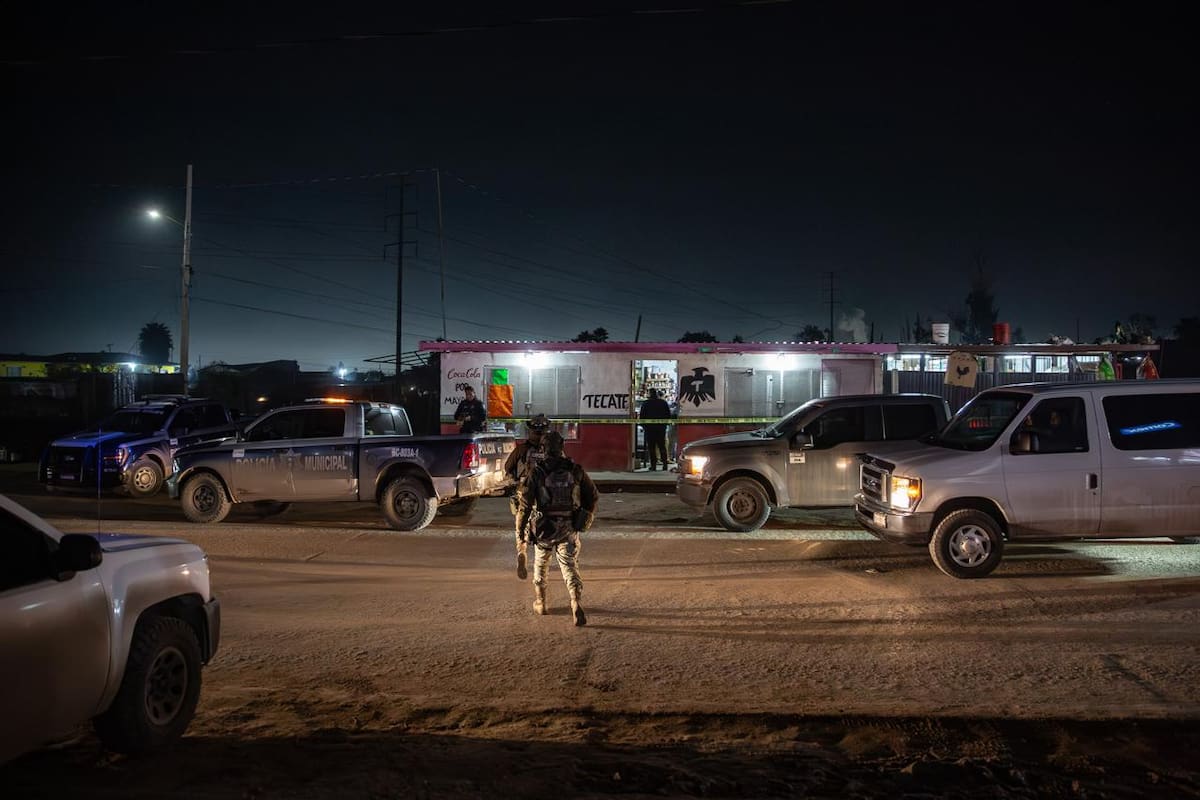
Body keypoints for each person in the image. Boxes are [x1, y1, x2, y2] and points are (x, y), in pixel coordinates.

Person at [514, 431, 598, 626]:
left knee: (541, 564)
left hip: (544, 527)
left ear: (543, 449)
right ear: (562, 447)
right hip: (568, 526)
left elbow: (525, 506)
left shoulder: (537, 472)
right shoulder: (575, 469)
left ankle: (541, 602)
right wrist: (585, 516)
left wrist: (521, 534)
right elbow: (593, 496)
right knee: (569, 566)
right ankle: (576, 603)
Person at [503, 413, 550, 579]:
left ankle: (522, 552)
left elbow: (507, 469)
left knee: (521, 527)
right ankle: (541, 563)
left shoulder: (521, 450)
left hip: (524, 494)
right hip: (546, 497)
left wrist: (515, 481)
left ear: (529, 431)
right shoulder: (552, 451)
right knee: (547, 530)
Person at [639, 388, 672, 471]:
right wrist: (664, 425)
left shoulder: (646, 403)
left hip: (650, 429)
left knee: (651, 448)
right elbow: (668, 415)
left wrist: (644, 426)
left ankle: (653, 466)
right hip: (661, 428)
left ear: (650, 394)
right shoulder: (663, 403)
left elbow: (642, 417)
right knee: (662, 446)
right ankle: (665, 465)